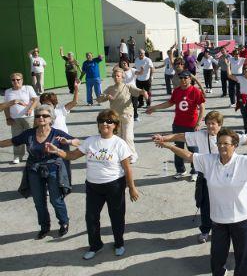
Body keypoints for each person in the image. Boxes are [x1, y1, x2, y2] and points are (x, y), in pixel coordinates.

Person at [156, 128, 247, 276]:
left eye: (226, 143)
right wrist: (168, 145)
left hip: (241, 220)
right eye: (219, 143)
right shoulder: (209, 161)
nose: (221, 146)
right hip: (218, 220)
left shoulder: (242, 162)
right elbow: (189, 155)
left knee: (243, 258)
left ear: (234, 145)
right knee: (217, 257)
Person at [152, 111, 247, 244]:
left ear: (220, 125)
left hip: (227, 175)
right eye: (208, 123)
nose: (210, 127)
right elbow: (181, 136)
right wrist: (164, 138)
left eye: (213, 124)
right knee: (204, 203)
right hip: (207, 175)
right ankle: (205, 230)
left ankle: (228, 227)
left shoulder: (228, 136)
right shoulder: (200, 135)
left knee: (227, 203)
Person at [45, 109, 139, 259]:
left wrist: (132, 188)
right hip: (93, 186)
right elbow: (71, 156)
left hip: (114, 185)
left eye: (109, 121)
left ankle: (119, 243)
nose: (105, 124)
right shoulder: (90, 141)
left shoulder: (119, 143)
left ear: (115, 125)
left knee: (116, 216)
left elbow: (127, 167)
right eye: (102, 121)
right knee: (91, 217)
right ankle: (95, 245)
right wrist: (57, 151)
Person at [0, 105, 75, 239]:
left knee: (55, 199)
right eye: (38, 116)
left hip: (53, 169)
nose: (41, 118)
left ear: (51, 118)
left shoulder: (57, 133)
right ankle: (44, 227)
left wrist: (67, 141)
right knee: (38, 201)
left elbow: (77, 142)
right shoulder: (29, 133)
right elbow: (12, 141)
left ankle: (64, 222)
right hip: (34, 169)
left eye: (45, 115)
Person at [147, 70, 205, 181]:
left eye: (185, 78)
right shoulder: (177, 91)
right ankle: (181, 170)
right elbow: (169, 103)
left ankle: (195, 171)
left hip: (191, 125)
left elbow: (202, 107)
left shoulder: (195, 91)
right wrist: (154, 108)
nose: (183, 80)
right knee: (178, 148)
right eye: (181, 78)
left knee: (193, 149)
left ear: (190, 79)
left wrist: (198, 122)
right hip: (178, 124)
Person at [97, 67, 148, 163]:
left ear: (122, 77)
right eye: (115, 76)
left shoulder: (128, 86)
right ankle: (121, 155)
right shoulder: (110, 89)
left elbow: (139, 90)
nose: (116, 77)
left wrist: (144, 93)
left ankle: (132, 155)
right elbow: (99, 99)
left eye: (118, 76)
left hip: (127, 115)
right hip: (115, 118)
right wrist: (105, 96)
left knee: (128, 136)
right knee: (118, 138)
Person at [4, 73, 39, 164]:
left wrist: (31, 109)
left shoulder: (28, 88)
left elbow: (36, 99)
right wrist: (8, 118)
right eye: (13, 80)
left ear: (22, 80)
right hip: (15, 119)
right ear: (11, 82)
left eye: (18, 79)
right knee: (16, 138)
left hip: (28, 118)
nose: (16, 81)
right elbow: (6, 106)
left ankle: (33, 155)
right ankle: (17, 156)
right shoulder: (8, 91)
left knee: (31, 137)